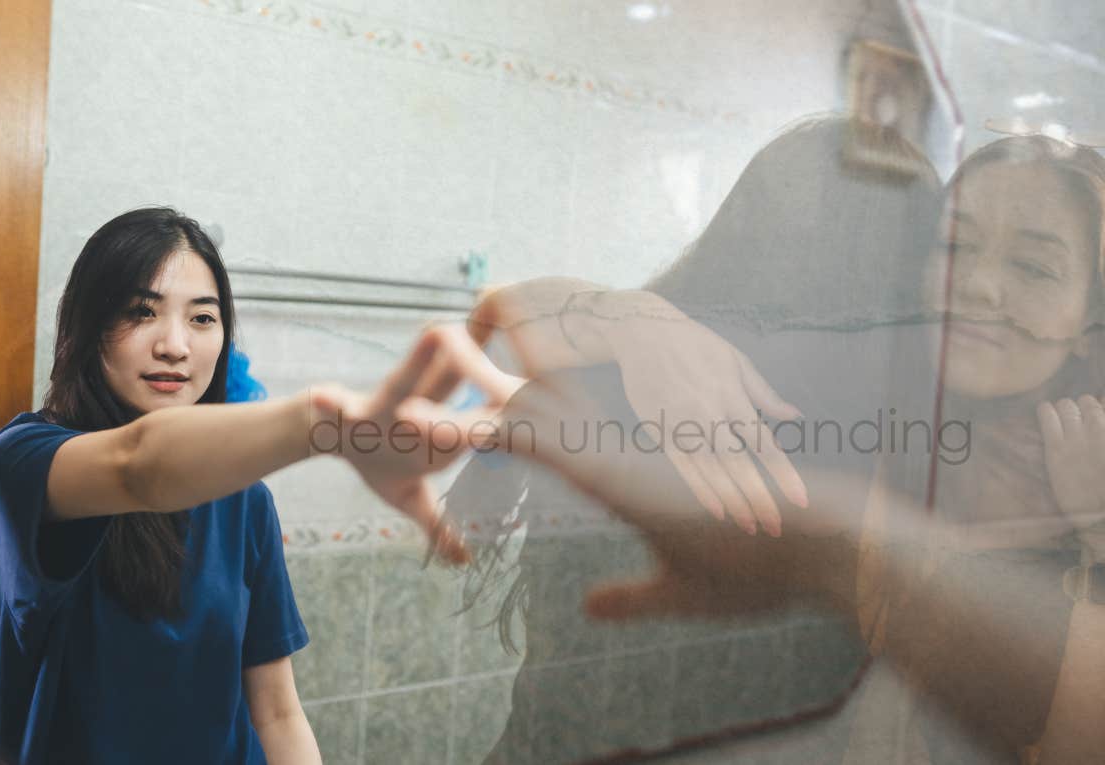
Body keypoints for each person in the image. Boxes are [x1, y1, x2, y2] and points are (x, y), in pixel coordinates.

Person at [469, 132, 1105, 763]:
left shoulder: (627, 370)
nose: (974, 284)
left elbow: (494, 334)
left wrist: (636, 320)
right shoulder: (870, 418)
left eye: (1031, 266)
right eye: (952, 246)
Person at [0, 207, 516, 765]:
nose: (176, 346)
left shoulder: (245, 498)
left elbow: (277, 711)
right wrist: (323, 425)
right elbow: (137, 465)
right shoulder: (20, 462)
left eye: (203, 319)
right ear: (87, 328)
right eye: (141, 312)